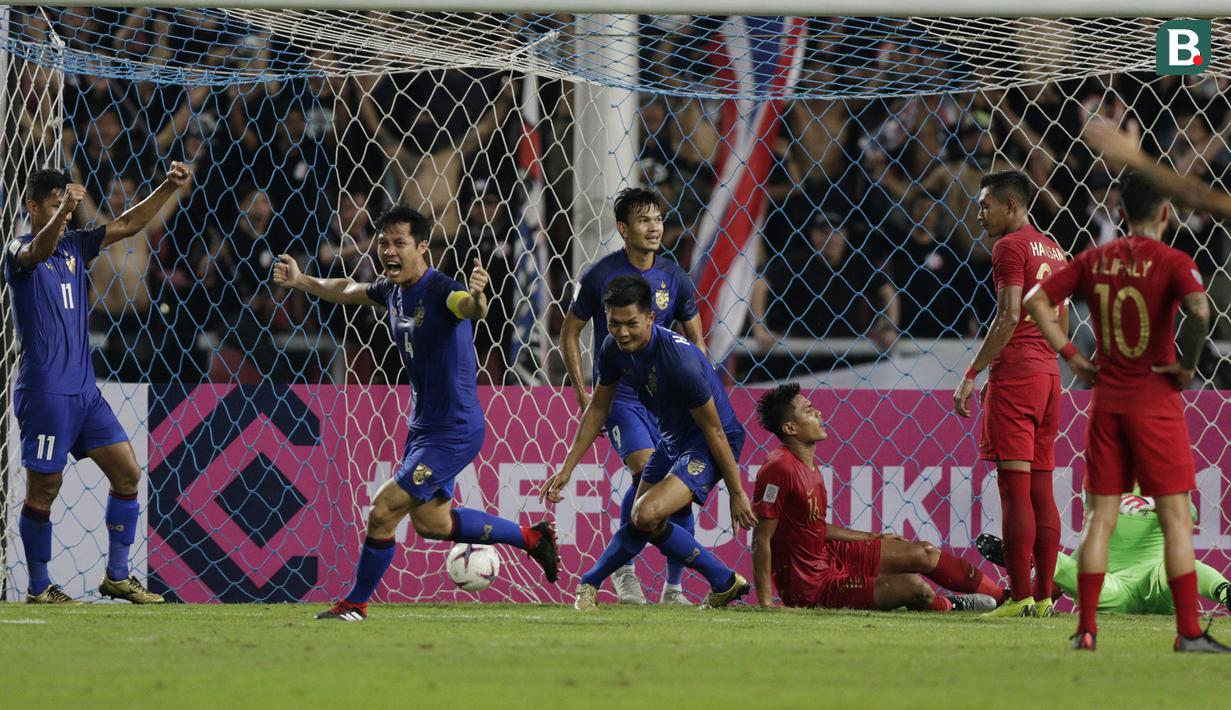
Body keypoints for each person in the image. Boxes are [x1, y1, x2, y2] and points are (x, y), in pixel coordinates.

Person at [273, 203, 561, 622]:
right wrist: (302, 281)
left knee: (384, 508)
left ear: (422, 246)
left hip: (456, 429)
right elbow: (348, 289)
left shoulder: (442, 289)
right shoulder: (391, 290)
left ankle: (354, 603)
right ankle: (533, 537)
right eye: (384, 242)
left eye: (400, 243)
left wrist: (480, 297)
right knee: (432, 523)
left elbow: (470, 308)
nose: (389, 251)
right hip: (424, 428)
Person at [1024, 172, 1229, 652]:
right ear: (1164, 213)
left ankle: (1087, 629)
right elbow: (1200, 311)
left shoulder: (1095, 259)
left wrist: (1071, 354)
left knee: (1100, 519)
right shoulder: (1175, 261)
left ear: (1119, 214)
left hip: (1108, 401)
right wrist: (1187, 365)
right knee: (1177, 518)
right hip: (1156, 401)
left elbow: (1036, 300)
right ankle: (1188, 632)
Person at [7, 163, 192, 604]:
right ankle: (38, 587)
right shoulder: (19, 251)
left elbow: (130, 223)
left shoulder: (76, 244)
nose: (64, 215)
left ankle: (117, 575)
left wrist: (167, 184)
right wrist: (63, 212)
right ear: (33, 207)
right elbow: (39, 248)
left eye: (66, 208)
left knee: (127, 472)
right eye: (54, 207)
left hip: (85, 393)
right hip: (45, 392)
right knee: (44, 490)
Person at [541, 276, 754, 611]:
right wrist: (568, 468)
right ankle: (724, 582)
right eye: (613, 323)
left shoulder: (681, 364)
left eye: (631, 324)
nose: (622, 332)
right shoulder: (613, 349)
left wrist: (737, 492)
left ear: (651, 318)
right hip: (672, 438)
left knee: (646, 512)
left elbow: (714, 430)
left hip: (707, 441)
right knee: (647, 522)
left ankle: (589, 583)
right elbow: (598, 407)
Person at [560, 187, 704, 605]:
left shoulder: (675, 277)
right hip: (620, 395)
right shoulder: (601, 273)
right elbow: (570, 331)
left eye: (658, 218)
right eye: (644, 220)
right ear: (623, 229)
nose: (655, 227)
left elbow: (696, 340)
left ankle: (673, 588)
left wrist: (698, 392)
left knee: (675, 485)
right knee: (646, 471)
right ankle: (624, 570)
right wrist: (582, 393)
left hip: (666, 399)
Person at [751, 384, 1005, 612]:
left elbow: (812, 527)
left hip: (829, 554)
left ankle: (1004, 598)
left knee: (925, 552)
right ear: (790, 428)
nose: (819, 414)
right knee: (914, 587)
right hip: (812, 585)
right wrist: (766, 602)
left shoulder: (809, 465)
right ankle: (953, 606)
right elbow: (761, 538)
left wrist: (871, 537)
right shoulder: (779, 468)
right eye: (808, 411)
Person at [953, 170, 1068, 618]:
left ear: (1012, 207)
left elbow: (1007, 316)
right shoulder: (1053, 248)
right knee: (1042, 490)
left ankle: (1019, 595)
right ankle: (1041, 598)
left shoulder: (1009, 246)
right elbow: (1060, 322)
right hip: (1049, 377)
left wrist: (972, 372)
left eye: (985, 205)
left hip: (1018, 376)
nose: (979, 214)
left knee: (1014, 489)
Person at [975, 493, 1231, 615]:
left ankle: (1225, 592)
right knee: (1061, 561)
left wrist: (1152, 504)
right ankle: (1029, 563)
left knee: (1182, 565)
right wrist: (1042, 593)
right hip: (1113, 587)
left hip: (1156, 577)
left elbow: (1192, 512)